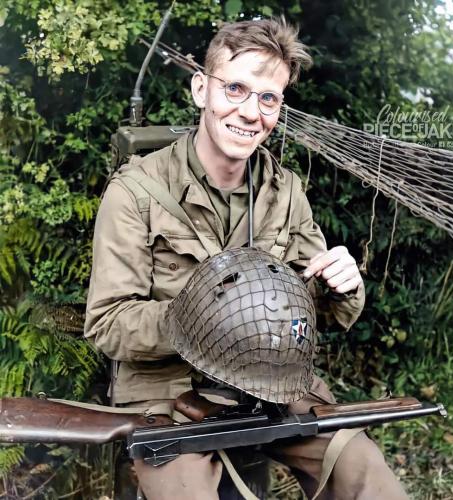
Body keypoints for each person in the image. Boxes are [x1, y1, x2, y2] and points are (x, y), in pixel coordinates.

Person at [85, 17, 408, 500]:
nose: (250, 112)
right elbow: (107, 322)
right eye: (235, 88)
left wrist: (341, 284)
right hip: (168, 394)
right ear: (201, 89)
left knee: (364, 469)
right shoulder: (136, 193)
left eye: (268, 98)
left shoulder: (286, 192)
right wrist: (207, 322)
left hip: (269, 384)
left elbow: (322, 311)